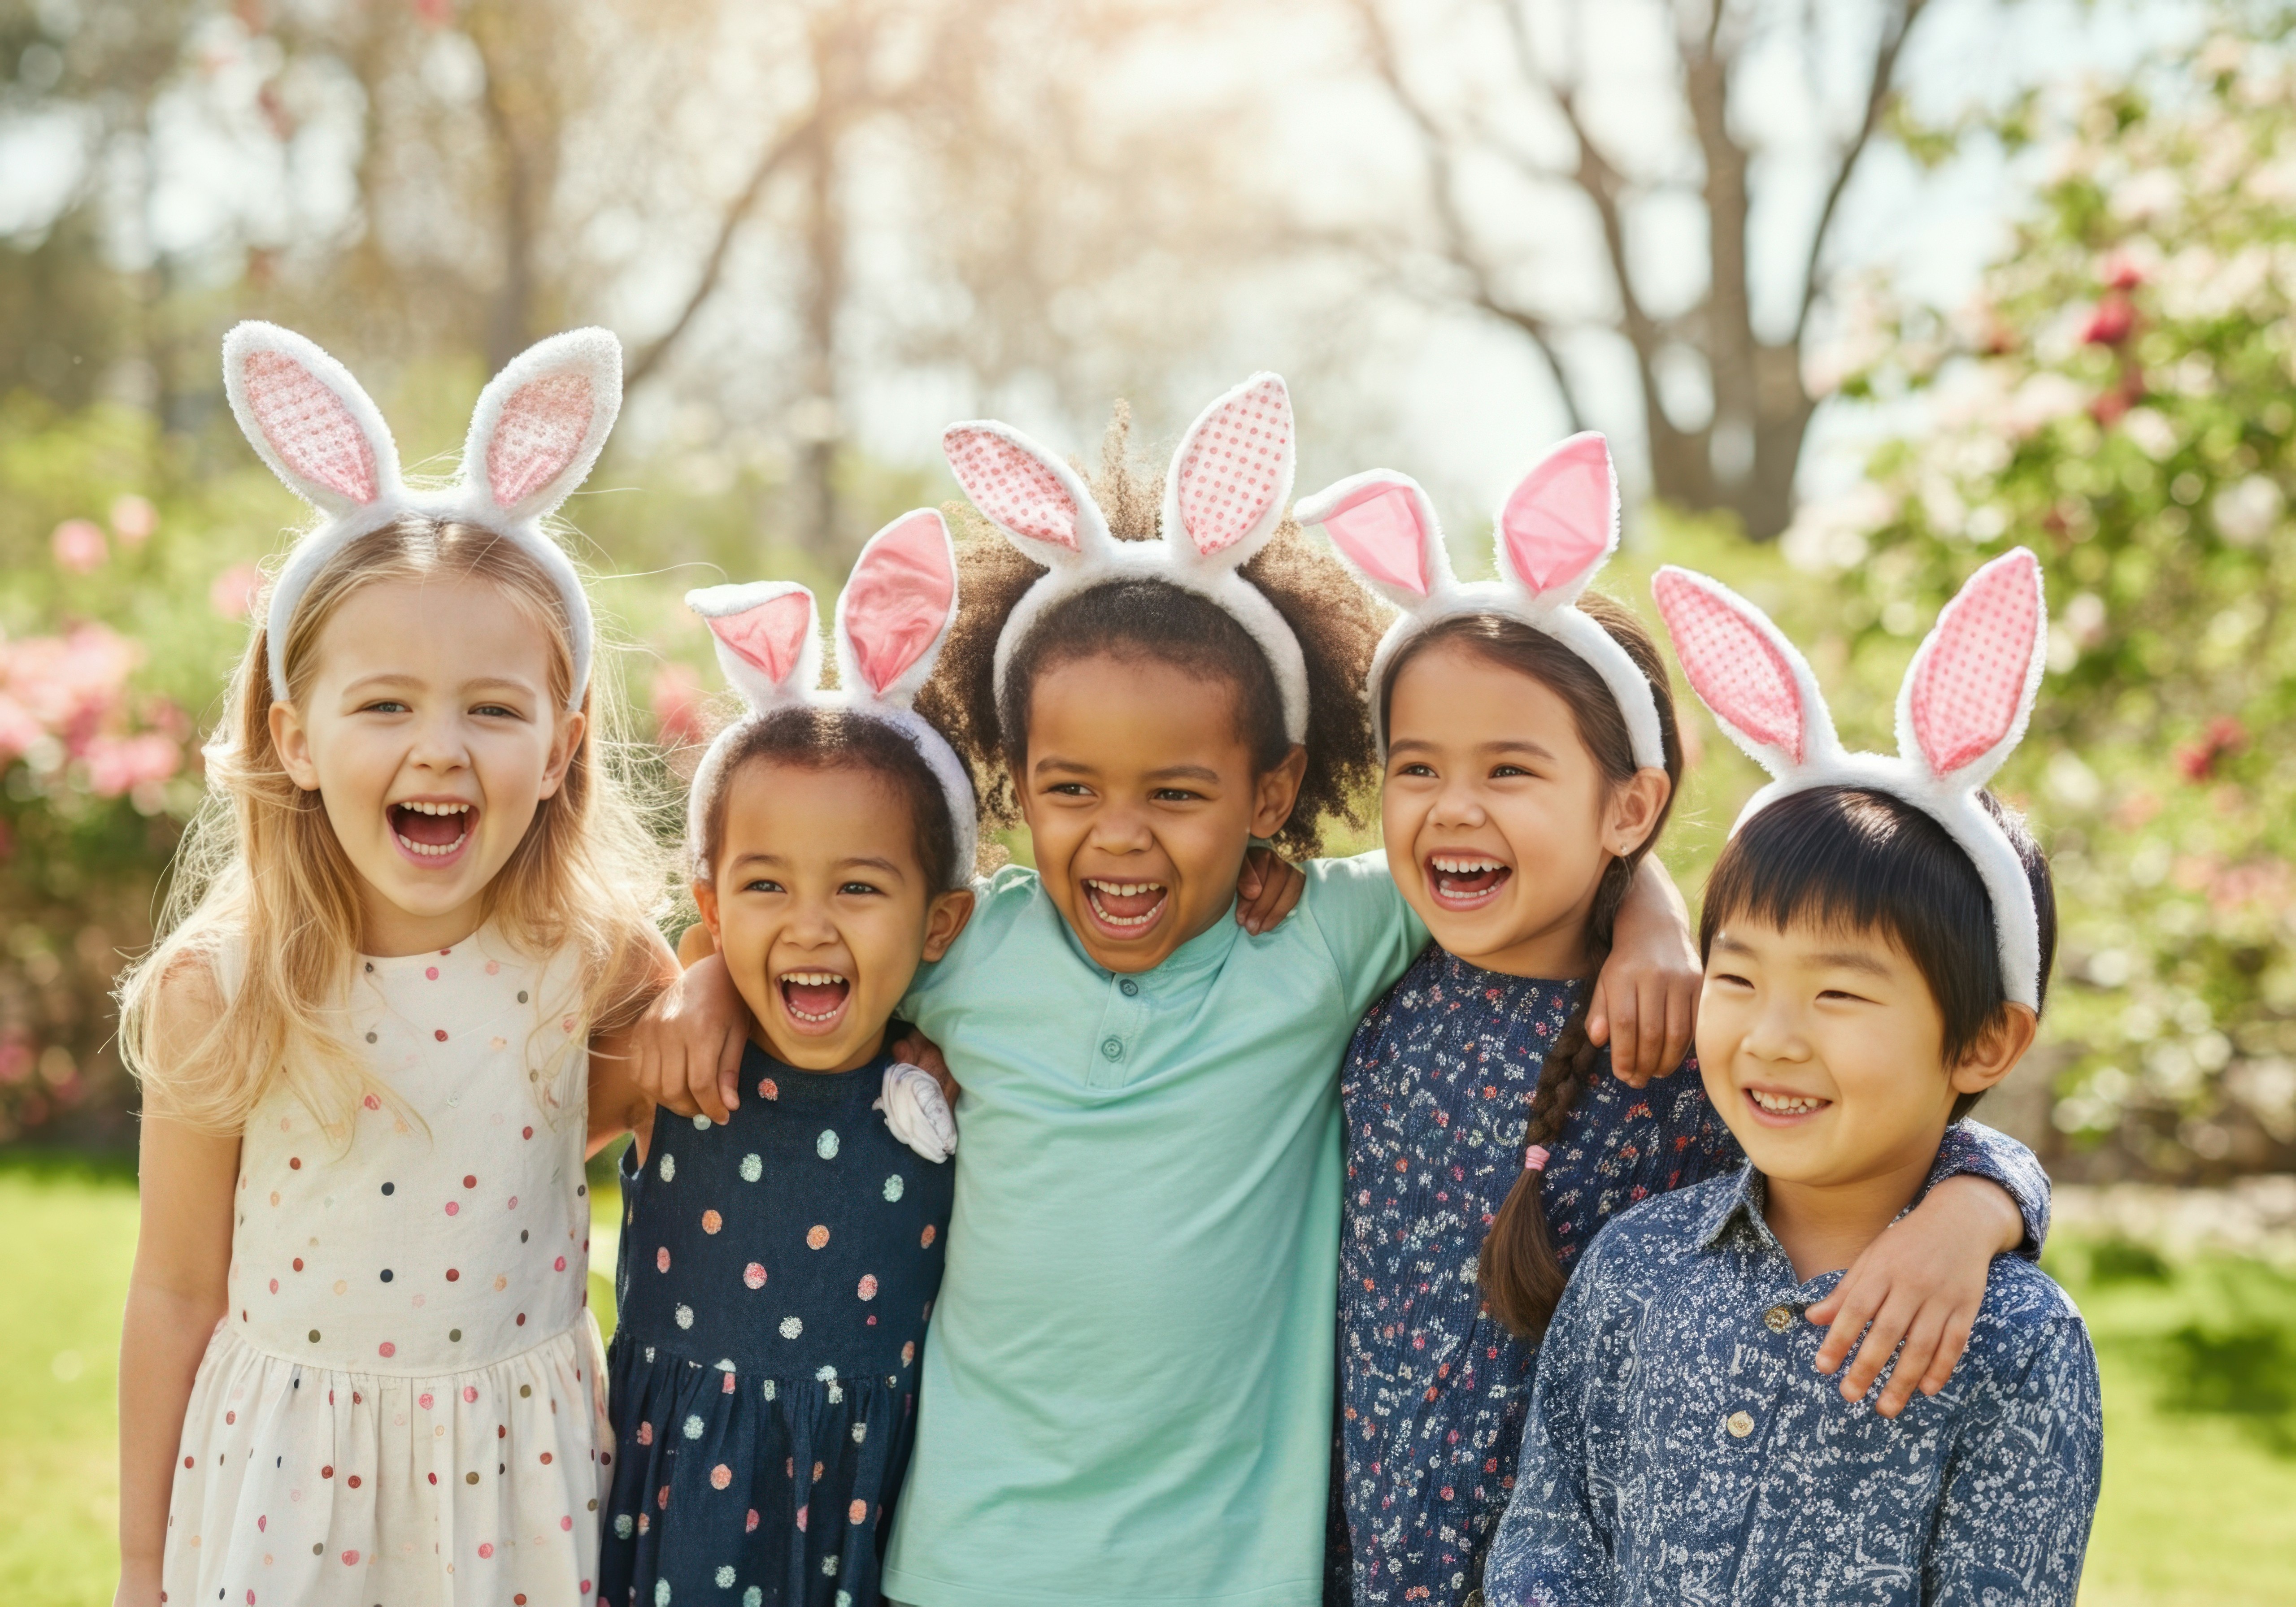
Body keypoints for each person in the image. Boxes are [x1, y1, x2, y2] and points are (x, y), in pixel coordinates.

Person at [648, 377, 1697, 1607]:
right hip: (975, 1560)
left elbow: (1521, 857)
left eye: (1179, 795)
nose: (1121, 837)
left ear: (1270, 794)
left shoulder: (1315, 939)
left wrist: (1653, 916)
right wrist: (711, 975)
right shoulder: (968, 949)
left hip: (1227, 1573)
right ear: (1015, 788)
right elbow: (820, 944)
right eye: (1072, 789)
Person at [1294, 447, 2055, 1607]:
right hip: (1373, 1568)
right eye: (1417, 767)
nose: (1455, 805)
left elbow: (1875, 1133)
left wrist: (1982, 1204)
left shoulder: (1686, 1043)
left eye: (1507, 768)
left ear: (1631, 808)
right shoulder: (1362, 983)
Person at [112, 322, 671, 1607]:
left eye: (492, 708)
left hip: (516, 1489)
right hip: (288, 1490)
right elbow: (174, 1291)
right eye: (385, 705)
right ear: (294, 737)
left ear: (564, 744)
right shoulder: (227, 989)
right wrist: (143, 1570)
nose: (441, 750)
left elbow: (724, 1049)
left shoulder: (594, 965)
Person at [1483, 552, 2101, 1605]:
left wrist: (1980, 1206)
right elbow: (1549, 1538)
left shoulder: (2015, 1341)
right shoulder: (1635, 1268)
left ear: (1983, 1043)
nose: (1771, 1037)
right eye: (1737, 977)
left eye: (1839, 995)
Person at [590, 511, 980, 1607]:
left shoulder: (959, 1077)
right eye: (766, 887)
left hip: (874, 1512)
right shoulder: (674, 1062)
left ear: (939, 923)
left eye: (857, 887)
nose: (810, 927)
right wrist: (697, 973)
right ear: (712, 905)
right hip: (675, 1504)